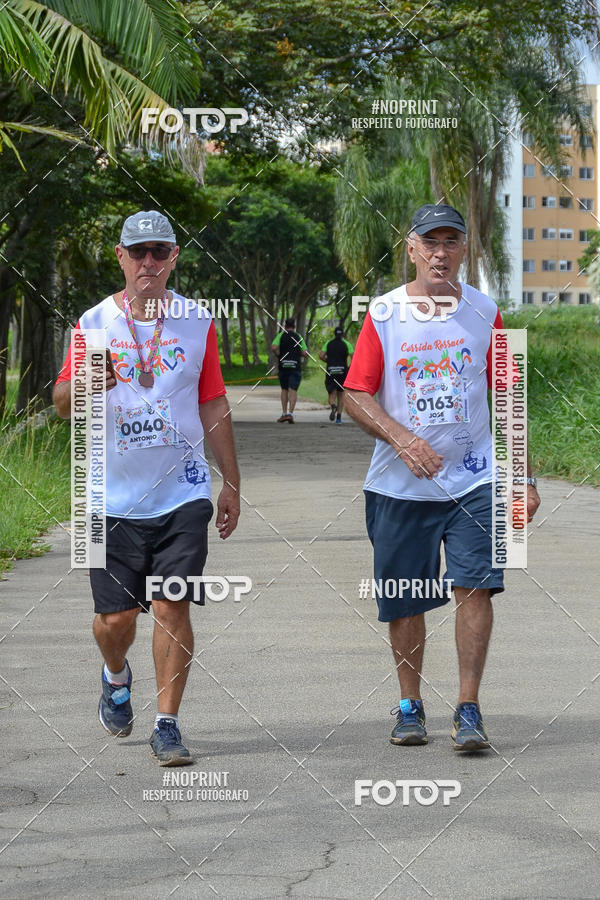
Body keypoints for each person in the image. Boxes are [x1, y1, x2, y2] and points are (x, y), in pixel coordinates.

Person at [344, 203, 540, 751]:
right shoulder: (384, 313)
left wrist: (523, 477)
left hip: (476, 481)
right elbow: (354, 393)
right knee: (406, 597)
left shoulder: (486, 310)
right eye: (430, 242)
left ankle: (469, 707)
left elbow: (509, 394)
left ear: (463, 249)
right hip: (399, 486)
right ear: (411, 249)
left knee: (476, 586)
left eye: (451, 241)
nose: (440, 253)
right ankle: (410, 705)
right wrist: (402, 439)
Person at [53, 210, 240, 766]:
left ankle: (167, 723)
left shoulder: (196, 321)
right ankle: (115, 674)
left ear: (174, 257)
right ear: (121, 257)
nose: (149, 262)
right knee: (115, 621)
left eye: (160, 251)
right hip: (106, 498)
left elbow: (212, 402)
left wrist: (231, 480)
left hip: (182, 492)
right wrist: (87, 381)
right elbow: (60, 404)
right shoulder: (92, 324)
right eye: (138, 252)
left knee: (171, 604)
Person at [271, 317, 308, 423]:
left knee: (284, 389)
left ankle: (284, 413)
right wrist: (298, 353)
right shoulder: (298, 336)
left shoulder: (281, 335)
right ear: (294, 326)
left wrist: (278, 355)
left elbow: (274, 347)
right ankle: (290, 414)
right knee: (293, 390)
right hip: (295, 367)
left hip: (283, 366)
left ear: (285, 326)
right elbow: (305, 353)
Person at [319, 326, 354, 424]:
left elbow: (321, 355)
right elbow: (354, 357)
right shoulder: (347, 344)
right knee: (341, 394)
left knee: (332, 393)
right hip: (342, 371)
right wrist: (349, 368)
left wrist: (328, 361)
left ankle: (333, 405)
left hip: (331, 371)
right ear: (342, 334)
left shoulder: (328, 343)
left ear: (334, 334)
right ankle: (338, 418)